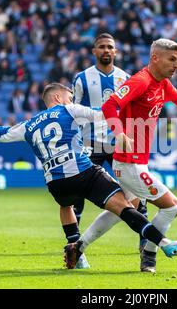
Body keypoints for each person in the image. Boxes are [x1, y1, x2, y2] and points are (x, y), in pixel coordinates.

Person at [0, 82, 177, 270]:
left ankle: (75, 252)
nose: (72, 100)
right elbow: (101, 114)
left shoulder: (28, 125)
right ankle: (165, 243)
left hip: (55, 182)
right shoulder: (67, 109)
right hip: (83, 171)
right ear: (58, 98)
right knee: (126, 206)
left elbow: (1, 135)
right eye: (69, 97)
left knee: (66, 206)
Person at [74, 38, 177, 273]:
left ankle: (78, 247)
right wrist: (119, 132)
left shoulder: (161, 84)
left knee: (122, 209)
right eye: (172, 59)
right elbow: (110, 105)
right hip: (129, 162)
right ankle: (149, 256)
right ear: (155, 58)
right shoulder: (141, 81)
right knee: (172, 207)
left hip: (136, 162)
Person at [72, 33, 149, 261]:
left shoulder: (126, 78)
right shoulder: (82, 79)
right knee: (78, 194)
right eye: (102, 47)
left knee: (137, 192)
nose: (106, 50)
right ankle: (74, 245)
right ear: (94, 51)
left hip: (117, 143)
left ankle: (145, 244)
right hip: (89, 144)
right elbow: (73, 112)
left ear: (115, 52)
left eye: (110, 47)